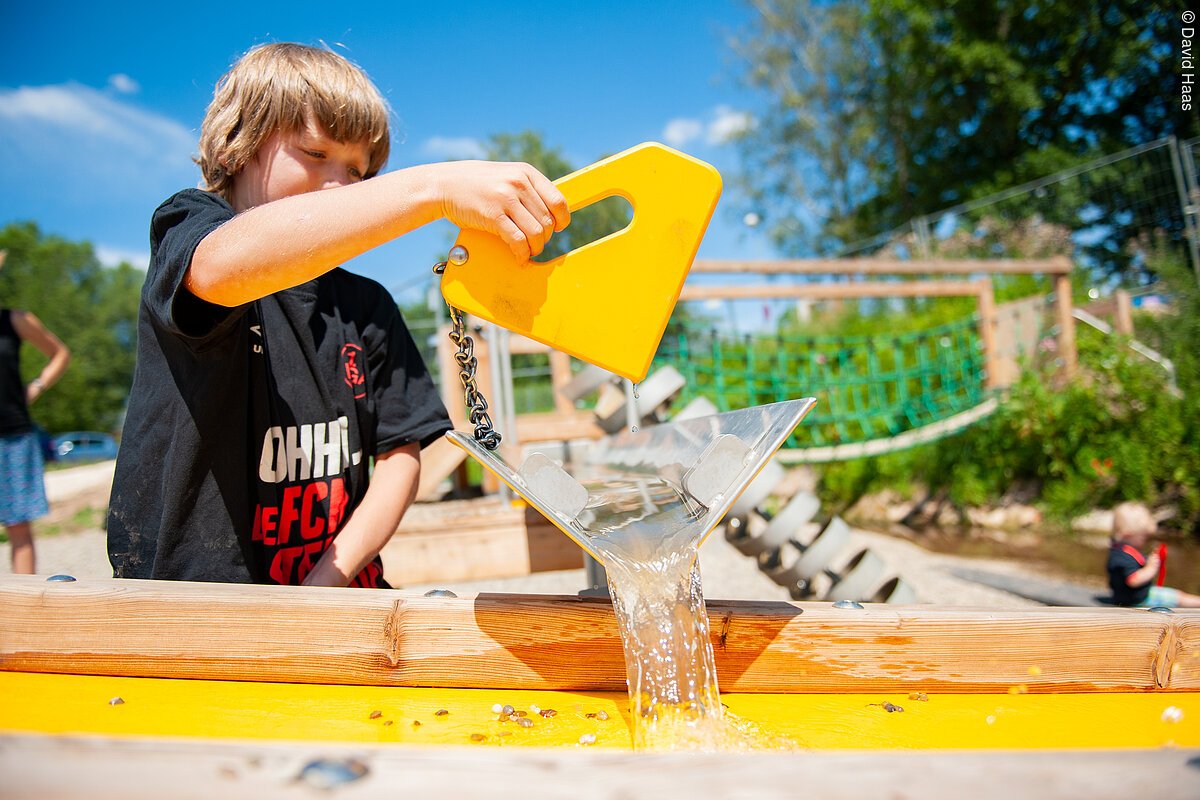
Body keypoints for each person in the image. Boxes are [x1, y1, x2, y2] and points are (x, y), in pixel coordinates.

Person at [107, 43, 568, 588]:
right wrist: (435, 189)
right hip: (201, 609)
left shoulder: (366, 307)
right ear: (238, 143)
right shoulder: (191, 231)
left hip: (341, 591)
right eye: (314, 152)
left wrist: (329, 577)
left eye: (357, 171)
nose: (339, 186)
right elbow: (220, 270)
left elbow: (401, 456)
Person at [0, 303, 70, 574]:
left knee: (18, 526)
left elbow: (60, 353)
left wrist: (36, 386)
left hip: (12, 438)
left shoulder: (14, 320)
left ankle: (21, 612)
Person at [1106, 502, 1200, 608]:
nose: (1146, 541)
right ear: (1128, 535)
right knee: (1179, 597)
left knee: (1179, 595)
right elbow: (1133, 580)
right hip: (1138, 599)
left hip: (1129, 596)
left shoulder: (1120, 550)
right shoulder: (1122, 558)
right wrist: (1151, 568)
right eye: (1144, 537)